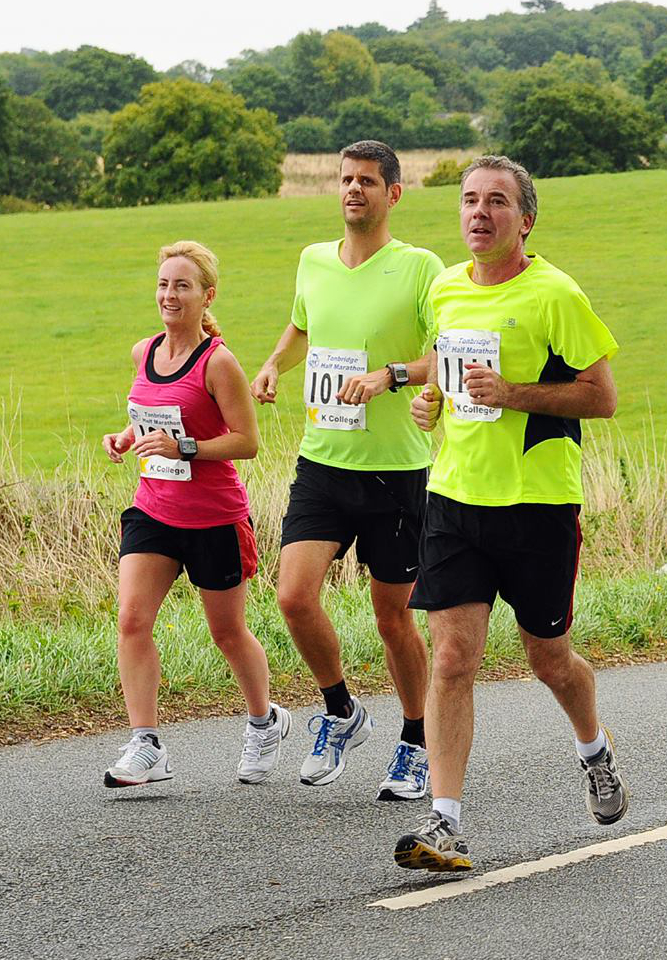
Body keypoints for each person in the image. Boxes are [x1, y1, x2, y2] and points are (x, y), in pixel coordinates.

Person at [392, 155, 627, 874]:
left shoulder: (555, 293)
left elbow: (601, 395)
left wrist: (514, 394)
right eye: (468, 200)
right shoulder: (446, 287)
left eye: (496, 202)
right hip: (455, 499)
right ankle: (445, 821)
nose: (478, 213)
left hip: (537, 505)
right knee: (454, 659)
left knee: (548, 661)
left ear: (524, 220)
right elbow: (444, 364)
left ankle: (593, 751)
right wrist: (428, 402)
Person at [247, 141, 444, 800]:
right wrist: (276, 362)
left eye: (365, 181)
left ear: (393, 193)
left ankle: (417, 740)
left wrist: (388, 376)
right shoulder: (312, 260)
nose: (352, 190)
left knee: (393, 618)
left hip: (394, 471)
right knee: (293, 597)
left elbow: (444, 354)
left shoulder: (419, 268)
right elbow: (302, 325)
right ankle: (341, 712)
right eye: (344, 180)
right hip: (322, 461)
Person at [100, 241, 285, 788]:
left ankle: (263, 721)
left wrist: (185, 450)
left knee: (226, 632)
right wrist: (127, 437)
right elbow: (151, 416)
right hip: (154, 510)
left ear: (207, 296)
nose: (169, 295)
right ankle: (146, 744)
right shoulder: (144, 351)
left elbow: (247, 442)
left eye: (181, 286)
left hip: (213, 516)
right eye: (162, 284)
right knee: (132, 619)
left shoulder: (219, 362)